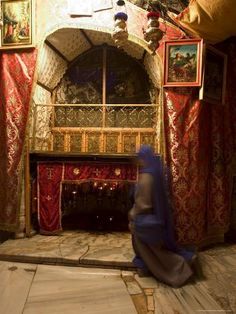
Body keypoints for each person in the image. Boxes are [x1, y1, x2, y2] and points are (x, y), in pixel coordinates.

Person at [128, 145, 196, 287]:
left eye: (139, 158)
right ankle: (146, 265)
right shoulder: (155, 172)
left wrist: (132, 214)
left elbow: (142, 204)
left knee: (139, 236)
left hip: (147, 222)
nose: (138, 161)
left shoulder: (146, 177)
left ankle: (179, 267)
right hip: (157, 219)